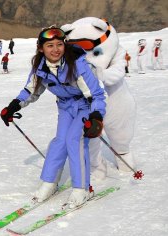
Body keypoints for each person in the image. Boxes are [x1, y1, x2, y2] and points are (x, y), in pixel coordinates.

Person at [0, 27, 106, 208]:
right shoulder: (40, 68)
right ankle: (49, 183)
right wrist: (14, 106)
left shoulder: (78, 65)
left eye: (59, 44)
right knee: (59, 141)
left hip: (86, 106)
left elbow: (96, 94)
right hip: (65, 106)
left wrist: (96, 116)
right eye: (50, 45)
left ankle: (82, 188)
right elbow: (30, 91)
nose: (55, 49)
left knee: (74, 140)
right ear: (41, 48)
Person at [61, 17, 137, 180]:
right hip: (89, 102)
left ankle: (124, 161)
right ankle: (96, 168)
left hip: (116, 101)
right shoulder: (73, 59)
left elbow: (116, 74)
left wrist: (96, 73)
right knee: (90, 135)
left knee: (119, 135)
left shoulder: (118, 52)